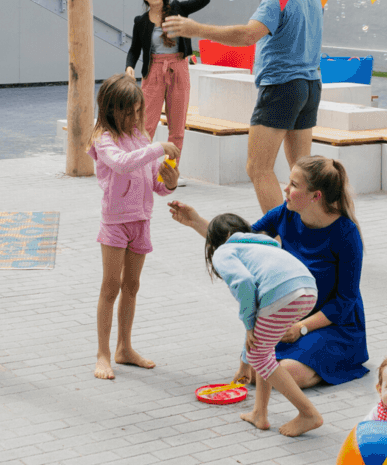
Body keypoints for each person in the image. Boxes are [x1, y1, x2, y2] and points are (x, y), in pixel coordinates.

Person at [169, 156, 369, 391]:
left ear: (316, 196)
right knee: (257, 373)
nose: (285, 188)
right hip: (289, 318)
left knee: (285, 373)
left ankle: (334, 365)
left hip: (333, 326)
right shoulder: (284, 213)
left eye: (294, 184)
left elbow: (345, 301)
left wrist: (301, 328)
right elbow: (241, 243)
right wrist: (196, 222)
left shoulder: (346, 234)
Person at [162, 0, 322, 213]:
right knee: (302, 172)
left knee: (258, 168)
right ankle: (308, 231)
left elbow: (248, 36)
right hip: (310, 87)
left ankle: (279, 233)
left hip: (282, 87)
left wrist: (195, 29)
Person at [86, 73, 180, 380]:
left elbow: (155, 184)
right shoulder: (103, 139)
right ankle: (102, 353)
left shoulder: (141, 138)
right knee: (110, 287)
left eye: (138, 111)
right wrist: (159, 148)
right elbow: (122, 163)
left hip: (141, 220)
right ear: (111, 110)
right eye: (129, 112)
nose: (135, 118)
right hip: (115, 222)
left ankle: (124, 348)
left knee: (132, 286)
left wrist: (169, 182)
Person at [203, 213, 325, 437]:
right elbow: (257, 316)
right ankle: (260, 413)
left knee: (259, 355)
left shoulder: (224, 251)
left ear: (221, 238)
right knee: (263, 350)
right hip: (308, 290)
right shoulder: (261, 246)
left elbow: (244, 283)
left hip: (282, 294)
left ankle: (308, 413)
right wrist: (245, 359)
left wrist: (249, 325)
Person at [126, 0, 210, 150]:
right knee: (145, 126)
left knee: (177, 129)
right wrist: (129, 66)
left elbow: (203, 0)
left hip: (178, 69)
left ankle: (170, 168)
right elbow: (134, 49)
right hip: (153, 71)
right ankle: (143, 165)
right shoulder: (140, 21)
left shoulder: (178, 9)